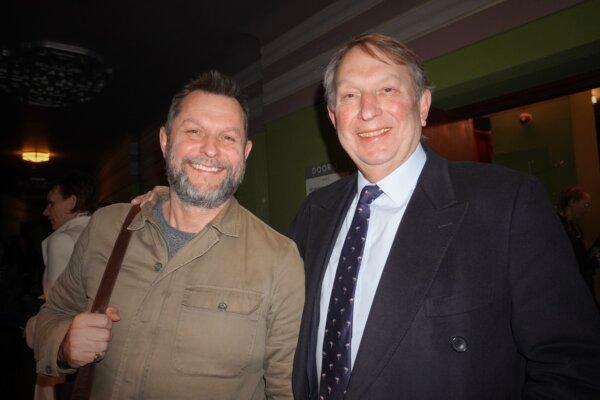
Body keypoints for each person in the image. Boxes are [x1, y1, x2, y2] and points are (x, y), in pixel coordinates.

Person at [288, 33, 600, 400]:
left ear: (422, 106)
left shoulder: (507, 203)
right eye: (350, 95)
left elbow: (572, 366)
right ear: (332, 115)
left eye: (388, 89)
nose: (367, 110)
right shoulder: (314, 214)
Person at [33, 71, 305, 399]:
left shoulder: (279, 259)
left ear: (245, 152)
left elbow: (286, 390)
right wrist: (64, 345)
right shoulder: (106, 228)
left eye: (228, 138)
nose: (210, 150)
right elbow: (51, 315)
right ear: (165, 141)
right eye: (194, 131)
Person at [25, 173, 96, 400]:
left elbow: (57, 304)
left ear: (72, 202)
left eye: (51, 203)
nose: (46, 212)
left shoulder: (62, 239)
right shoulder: (101, 232)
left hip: (63, 346)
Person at [558, 186, 595, 296]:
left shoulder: (574, 226)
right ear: (572, 202)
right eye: (586, 205)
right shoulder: (559, 226)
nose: (587, 210)